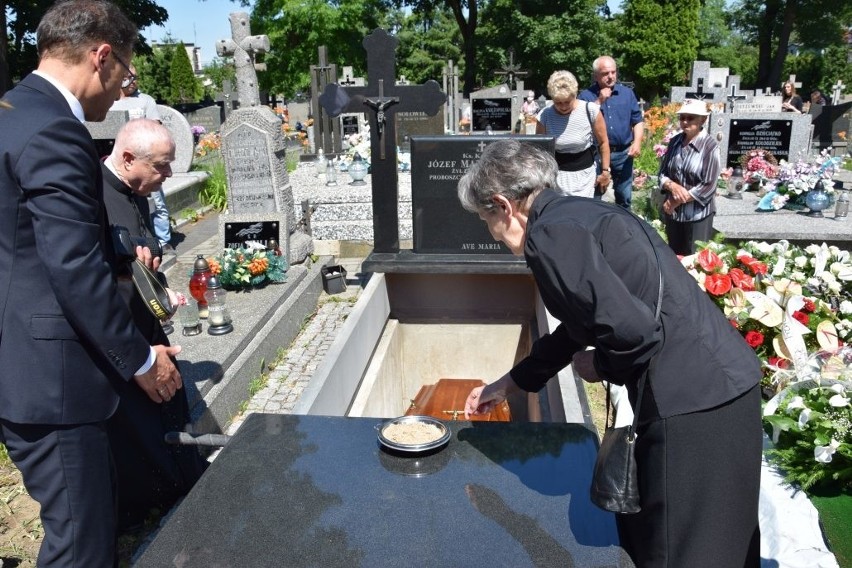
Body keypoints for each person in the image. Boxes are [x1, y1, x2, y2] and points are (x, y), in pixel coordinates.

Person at [458, 139, 762, 568]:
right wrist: (510, 383)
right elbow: (583, 324)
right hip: (721, 386)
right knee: (721, 540)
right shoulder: (579, 215)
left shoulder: (549, 235)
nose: (489, 231)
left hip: (691, 403)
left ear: (503, 205)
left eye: (485, 219)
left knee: (682, 548)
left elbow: (634, 333)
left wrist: (597, 365)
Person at [0, 2, 184, 565]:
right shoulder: (56, 130)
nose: (125, 85)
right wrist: (142, 361)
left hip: (22, 366)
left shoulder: (11, 113)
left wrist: (126, 252)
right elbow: (72, 266)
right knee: (82, 547)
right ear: (101, 55)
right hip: (55, 384)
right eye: (126, 70)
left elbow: (26, 242)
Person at [102, 119, 207, 531]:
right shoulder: (94, 196)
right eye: (161, 167)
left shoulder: (137, 190)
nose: (166, 177)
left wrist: (158, 288)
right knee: (142, 429)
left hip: (146, 324)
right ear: (128, 158)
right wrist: (134, 281)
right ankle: (152, 510)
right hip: (120, 335)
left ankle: (184, 487)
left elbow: (146, 248)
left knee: (172, 402)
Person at [110, 62, 173, 251]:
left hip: (145, 159)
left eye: (135, 77)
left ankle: (163, 240)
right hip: (121, 158)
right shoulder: (109, 101)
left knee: (157, 201)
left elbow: (155, 128)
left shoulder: (145, 100)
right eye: (129, 77)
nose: (133, 82)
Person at [657, 99, 722, 256]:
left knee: (695, 262)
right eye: (682, 117)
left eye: (690, 118)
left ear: (703, 120)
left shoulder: (710, 147)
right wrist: (671, 186)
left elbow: (708, 185)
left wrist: (675, 200)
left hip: (697, 216)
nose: (685, 122)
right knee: (674, 260)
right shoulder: (674, 142)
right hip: (673, 215)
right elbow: (662, 173)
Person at [579, 56, 644, 209]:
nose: (610, 76)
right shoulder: (585, 96)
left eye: (613, 72)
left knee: (624, 197)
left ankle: (624, 229)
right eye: (605, 73)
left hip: (623, 154)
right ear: (596, 76)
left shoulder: (627, 94)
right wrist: (600, 101)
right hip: (596, 154)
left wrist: (637, 142)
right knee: (594, 198)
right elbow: (581, 122)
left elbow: (637, 121)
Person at [535, 70, 611, 198]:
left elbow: (603, 143)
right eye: (558, 103)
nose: (563, 107)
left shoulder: (590, 110)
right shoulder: (545, 115)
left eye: (567, 102)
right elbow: (540, 149)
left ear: (574, 95)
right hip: (557, 176)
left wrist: (605, 171)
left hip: (585, 176)